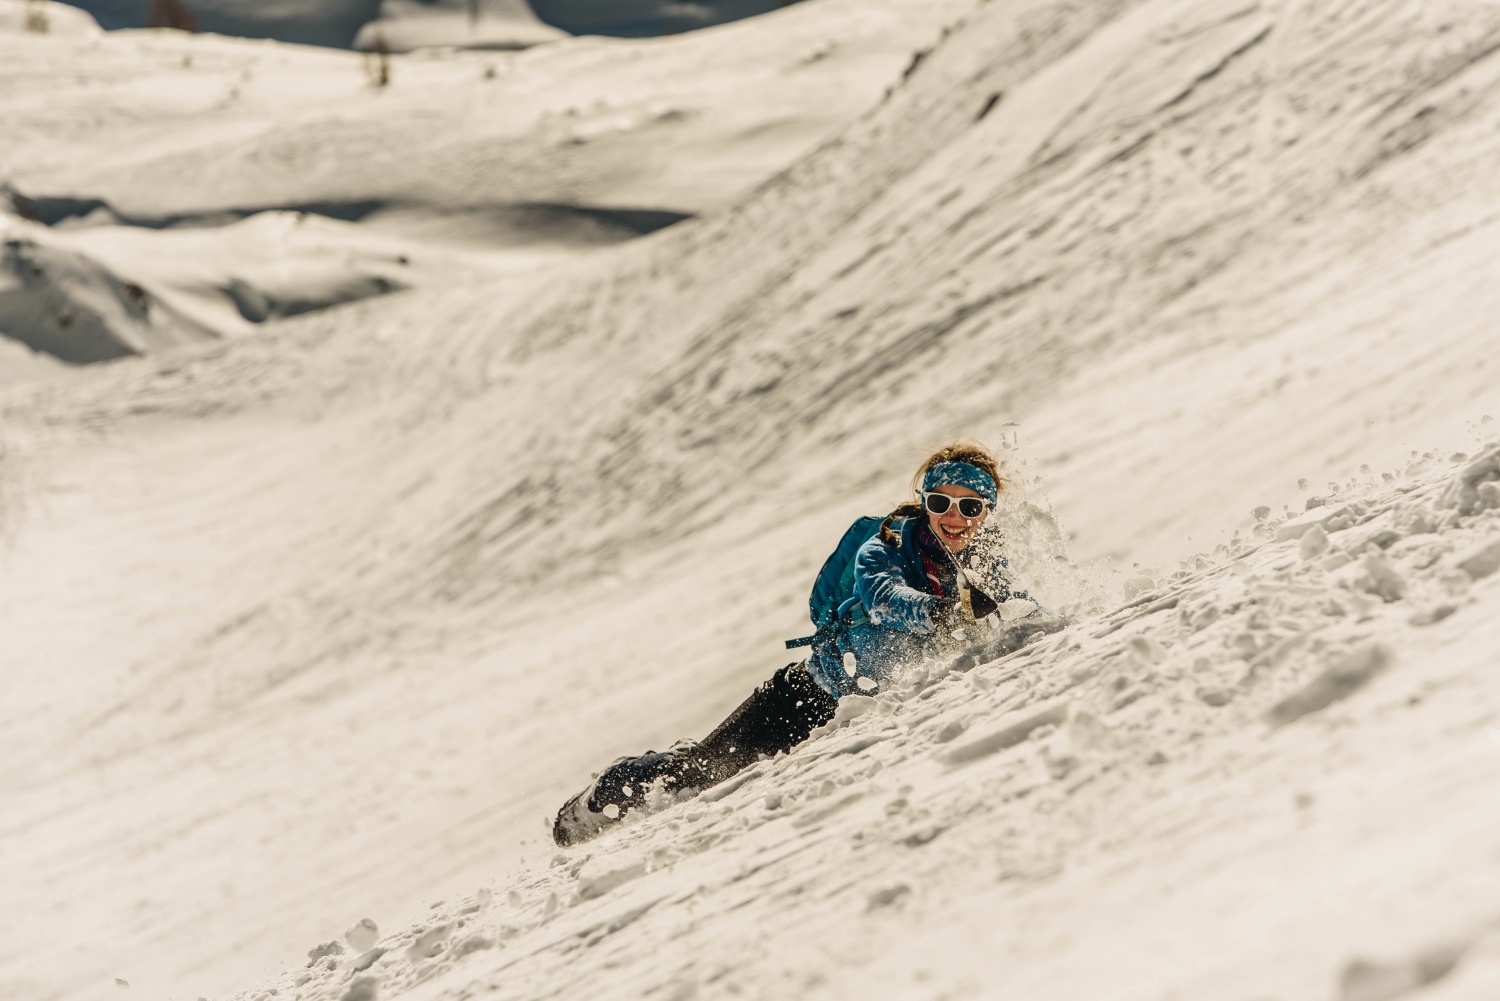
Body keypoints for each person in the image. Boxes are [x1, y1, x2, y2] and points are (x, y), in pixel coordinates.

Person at [552, 439, 1037, 846]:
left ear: (987, 512)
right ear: (925, 502)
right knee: (699, 772)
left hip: (860, 716)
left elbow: (1017, 603)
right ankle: (596, 800)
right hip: (806, 697)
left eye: (970, 507)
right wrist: (943, 612)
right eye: (940, 503)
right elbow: (882, 595)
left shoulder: (986, 562)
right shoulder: (886, 543)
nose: (954, 517)